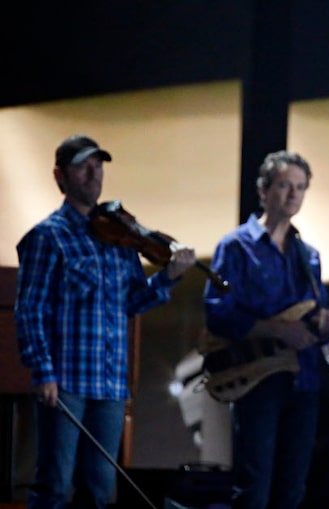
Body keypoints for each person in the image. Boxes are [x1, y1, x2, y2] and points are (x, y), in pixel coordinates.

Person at [15, 134, 197, 509]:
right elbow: (30, 308)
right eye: (83, 166)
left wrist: (168, 277)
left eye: (98, 166)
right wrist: (42, 371)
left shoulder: (119, 237)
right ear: (60, 176)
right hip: (66, 379)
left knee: (99, 490)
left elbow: (131, 301)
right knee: (54, 485)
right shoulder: (47, 237)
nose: (93, 174)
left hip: (110, 382)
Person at [203, 150, 329, 509]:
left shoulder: (308, 255)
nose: (293, 194)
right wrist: (277, 331)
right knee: (254, 486)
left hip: (304, 379)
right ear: (264, 192)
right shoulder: (235, 247)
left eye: (300, 187)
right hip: (257, 379)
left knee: (292, 489)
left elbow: (313, 314)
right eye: (284, 185)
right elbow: (217, 313)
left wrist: (324, 324)